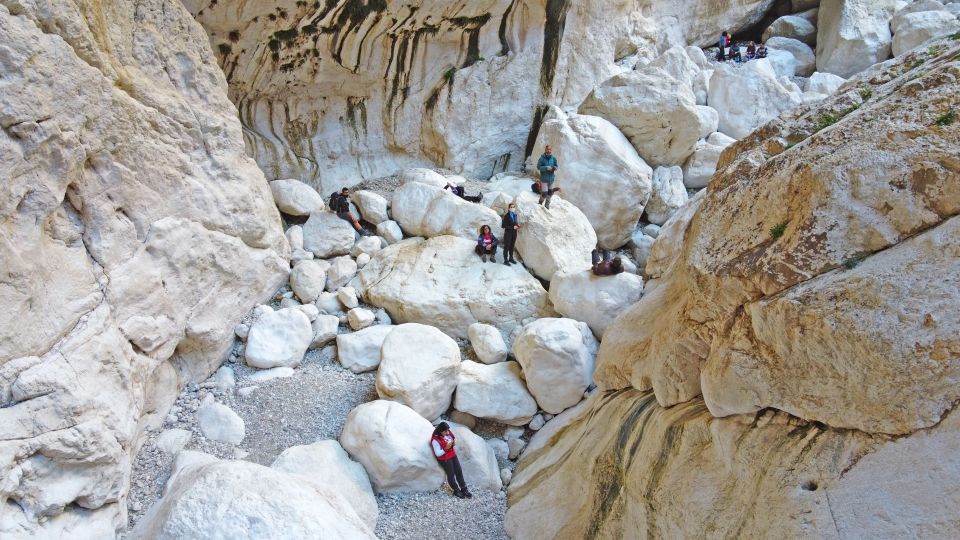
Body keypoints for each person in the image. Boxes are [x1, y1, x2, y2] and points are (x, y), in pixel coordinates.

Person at [431, 422, 471, 498]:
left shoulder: (447, 434)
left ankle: (464, 488)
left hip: (452, 455)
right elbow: (438, 453)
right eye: (445, 431)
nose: (447, 432)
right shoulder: (435, 440)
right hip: (444, 458)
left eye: (448, 430)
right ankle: (456, 490)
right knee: (451, 474)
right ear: (440, 431)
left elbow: (451, 439)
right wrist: (446, 449)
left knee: (459, 471)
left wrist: (452, 444)